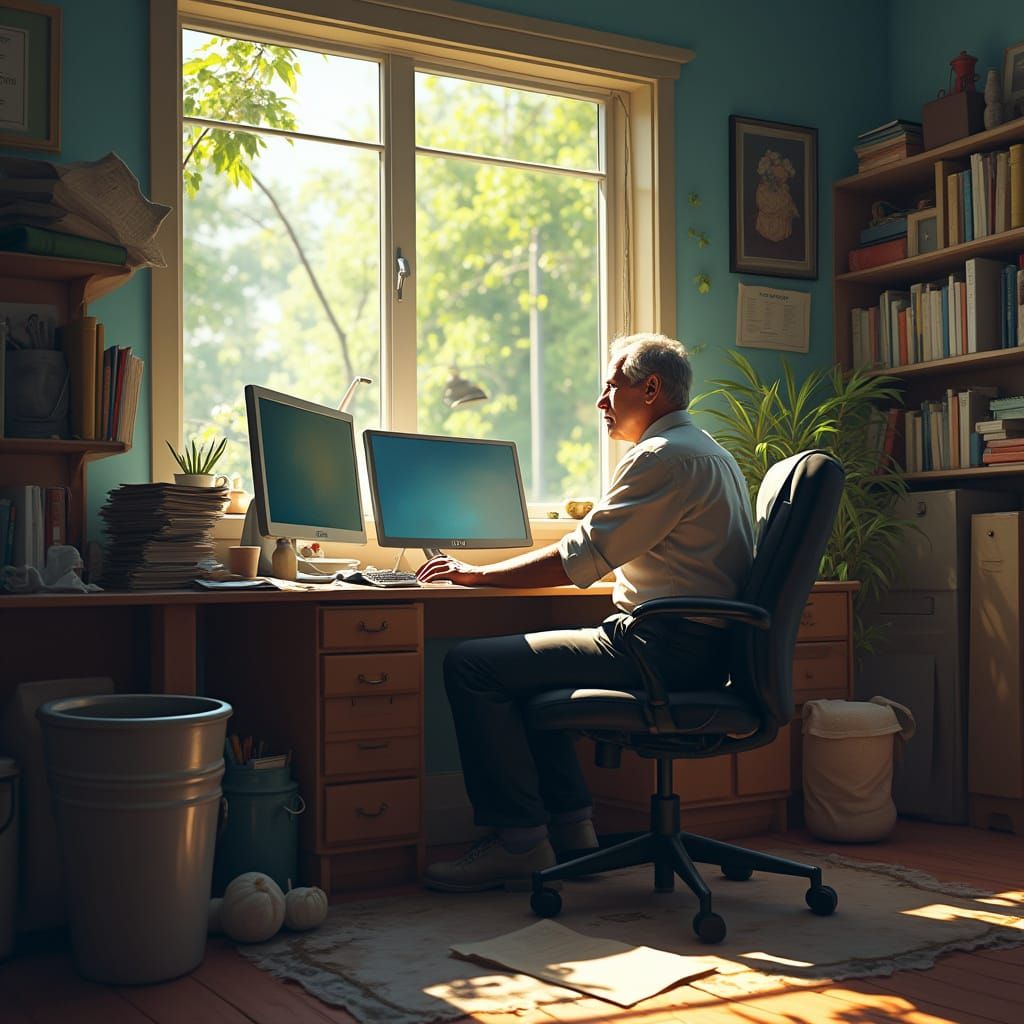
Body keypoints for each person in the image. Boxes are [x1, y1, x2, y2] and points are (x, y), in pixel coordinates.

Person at [416, 332, 754, 892]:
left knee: (472, 665)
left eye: (610, 387)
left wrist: (476, 575)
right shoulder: (709, 452)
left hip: (662, 649)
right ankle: (573, 831)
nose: (601, 403)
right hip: (696, 647)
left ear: (649, 388)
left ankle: (519, 841)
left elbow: (579, 557)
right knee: (522, 667)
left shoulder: (662, 457)